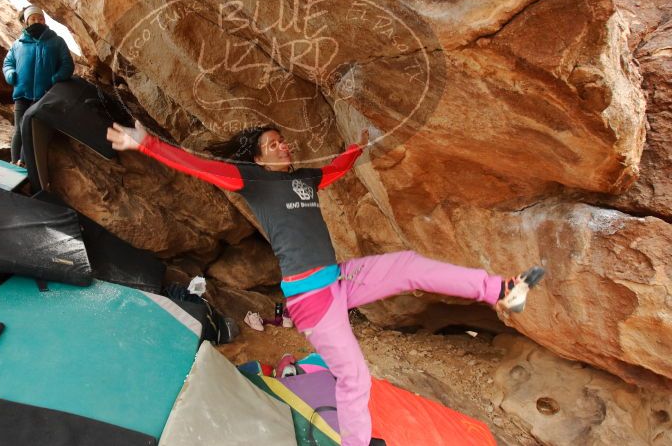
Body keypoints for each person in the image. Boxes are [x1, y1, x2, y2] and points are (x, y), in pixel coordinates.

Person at [107, 120, 545, 446]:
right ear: (258, 158)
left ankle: (501, 291)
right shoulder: (254, 181)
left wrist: (355, 148)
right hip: (310, 297)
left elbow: (336, 170)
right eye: (273, 144)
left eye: (283, 140)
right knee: (354, 378)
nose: (283, 145)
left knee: (408, 264)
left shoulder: (303, 179)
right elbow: (201, 167)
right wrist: (146, 144)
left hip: (339, 279)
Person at [2, 5, 73, 165]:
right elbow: (8, 63)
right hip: (21, 93)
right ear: (26, 22)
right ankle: (13, 163)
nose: (37, 21)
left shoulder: (56, 41)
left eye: (40, 18)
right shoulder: (18, 44)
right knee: (19, 129)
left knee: (29, 127)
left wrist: (56, 78)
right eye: (33, 18)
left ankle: (23, 163)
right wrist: (10, 74)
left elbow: (67, 64)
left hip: (43, 94)